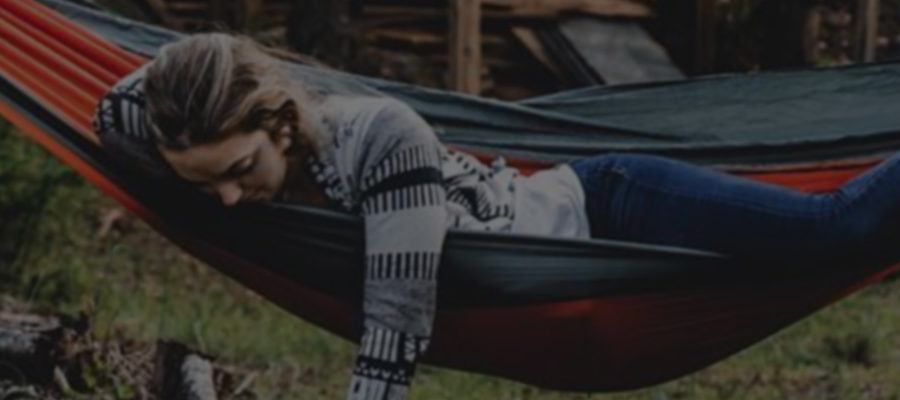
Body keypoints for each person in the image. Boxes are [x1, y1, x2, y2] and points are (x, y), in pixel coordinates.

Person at [93, 33, 900, 399]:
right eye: (206, 186)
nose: (229, 202)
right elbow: (107, 113)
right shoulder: (228, 156)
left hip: (617, 210)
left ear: (277, 119)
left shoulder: (380, 137)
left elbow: (396, 321)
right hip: (567, 271)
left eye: (239, 171)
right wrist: (202, 66)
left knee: (835, 233)